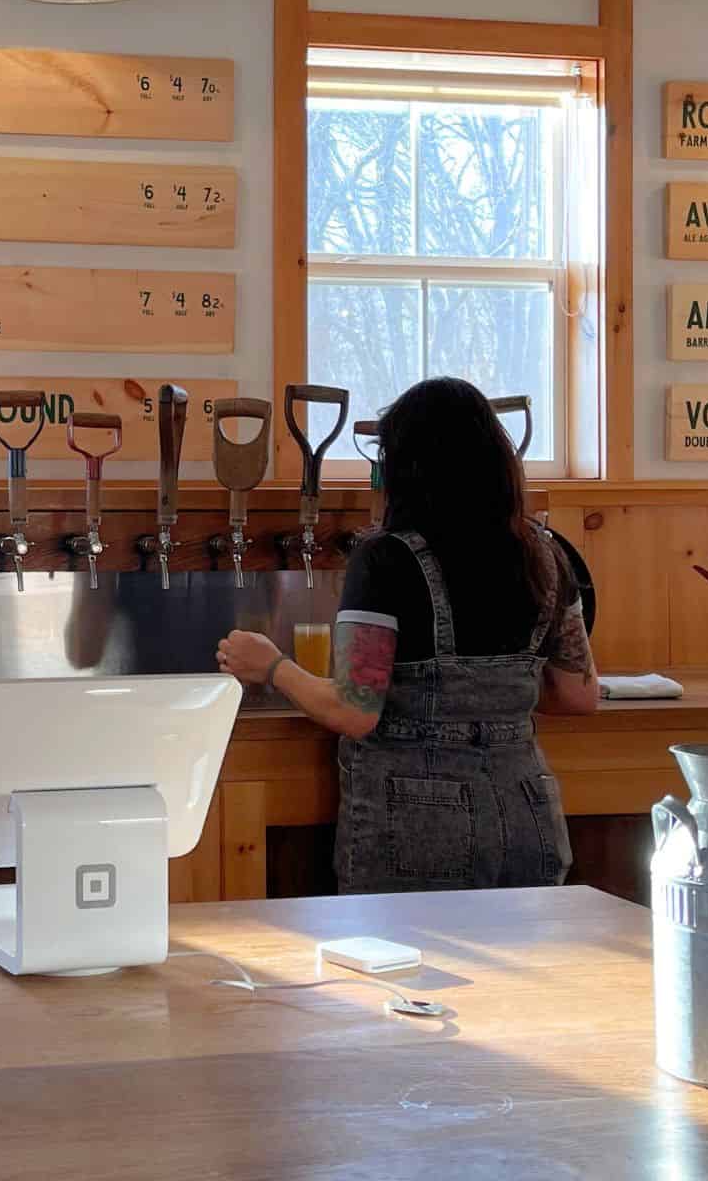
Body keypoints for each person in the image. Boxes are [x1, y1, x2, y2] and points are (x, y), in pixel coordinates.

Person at [216, 377, 597, 893]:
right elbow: (578, 694)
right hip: (527, 811)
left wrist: (273, 666)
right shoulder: (547, 556)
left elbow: (354, 710)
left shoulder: (385, 560)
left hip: (418, 823)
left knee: (404, 971)